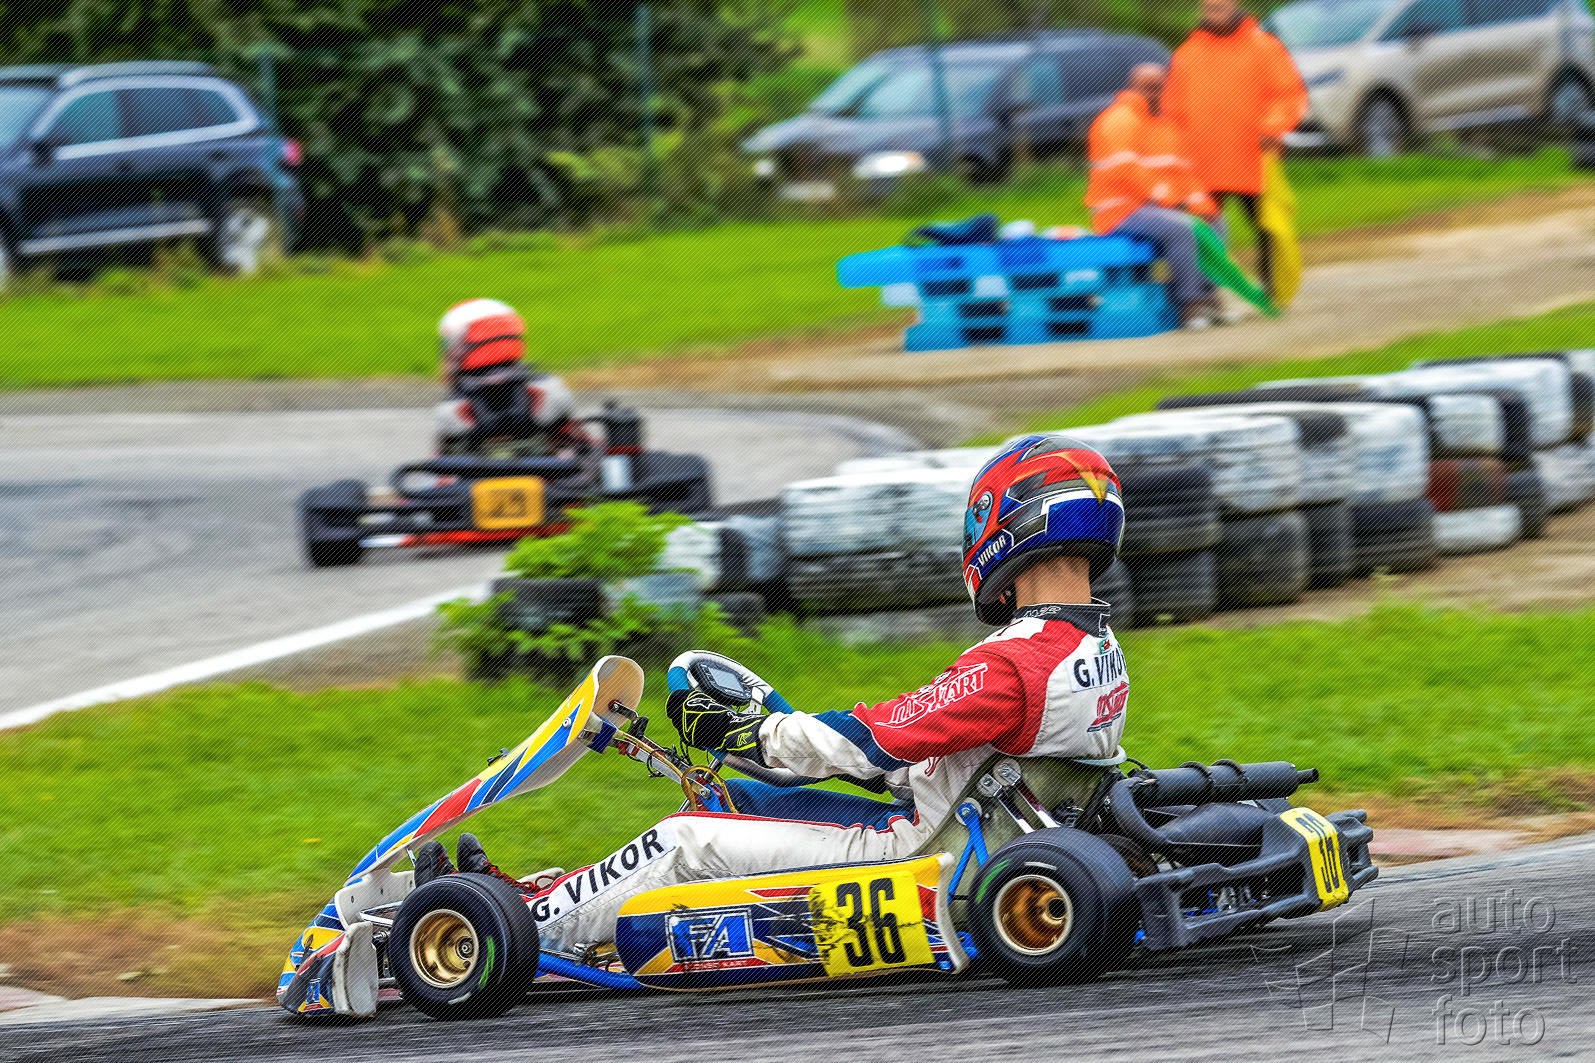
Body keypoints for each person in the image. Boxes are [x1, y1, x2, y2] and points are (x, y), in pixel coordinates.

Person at [415, 433, 1133, 956]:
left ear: (1010, 524)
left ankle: (504, 929)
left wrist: (761, 732)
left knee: (685, 840)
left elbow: (877, 738)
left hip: (923, 860)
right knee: (729, 802)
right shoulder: (1094, 647)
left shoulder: (1014, 661)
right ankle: (538, 893)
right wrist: (785, 746)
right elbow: (959, 759)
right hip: (976, 831)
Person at [1164, 0, 1307, 300]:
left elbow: (1288, 94)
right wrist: (1175, 155)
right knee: (1201, 233)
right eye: (1209, 6)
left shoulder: (1263, 46)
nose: (1214, 8)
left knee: (1268, 227)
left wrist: (1273, 126)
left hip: (1252, 157)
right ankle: (1203, 297)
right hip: (1202, 163)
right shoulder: (1187, 54)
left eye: (1220, 5)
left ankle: (1274, 290)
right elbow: (1172, 113)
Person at [1086, 63, 1220, 330]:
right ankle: (1189, 306)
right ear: (1132, 88)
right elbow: (1127, 171)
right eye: (1148, 88)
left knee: (1215, 222)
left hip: (1149, 208)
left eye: (1160, 88)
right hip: (1118, 212)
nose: (1155, 95)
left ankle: (1208, 298)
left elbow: (1183, 173)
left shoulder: (1162, 125)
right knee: (1181, 228)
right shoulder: (1120, 120)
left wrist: (1200, 205)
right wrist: (1171, 202)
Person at [433, 298, 582, 458]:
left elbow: (442, 466)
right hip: (551, 469)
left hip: (474, 470)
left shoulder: (455, 409)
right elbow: (582, 449)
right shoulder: (547, 391)